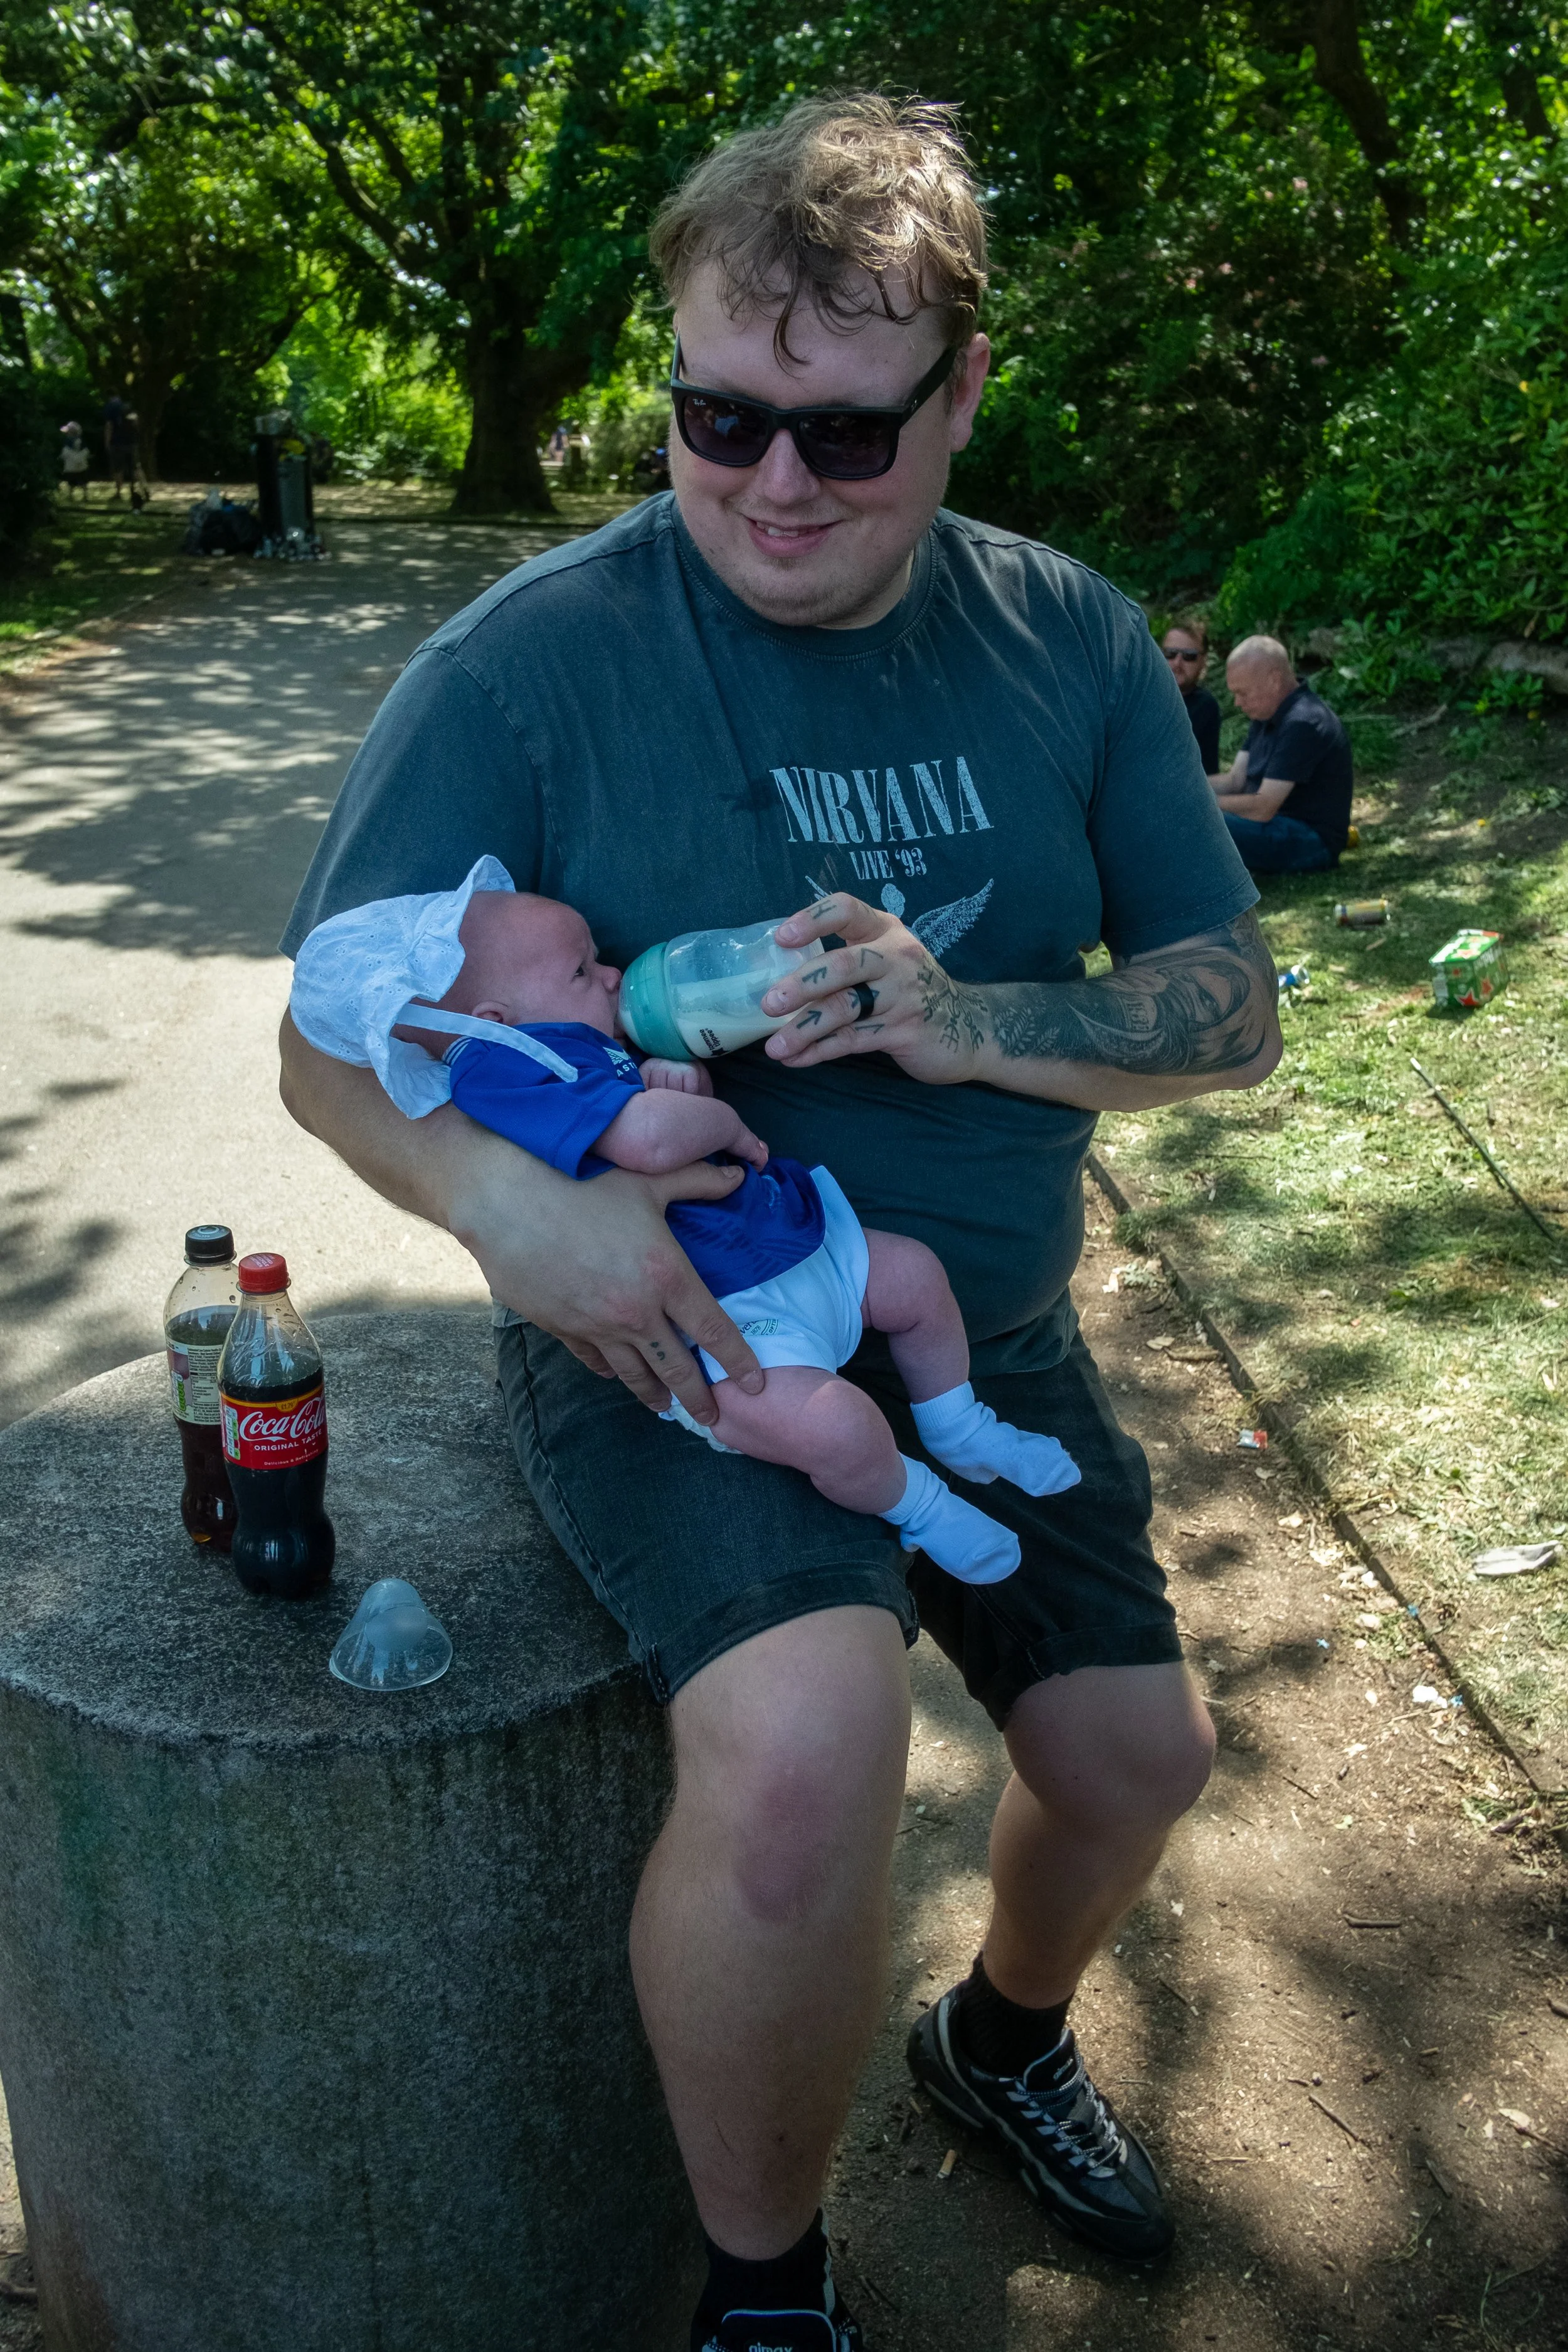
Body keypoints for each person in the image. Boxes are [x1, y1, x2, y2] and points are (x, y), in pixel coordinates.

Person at [277, 93, 1281, 2352]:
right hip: (681, 1328)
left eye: (842, 431)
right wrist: (508, 1216)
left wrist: (970, 1015)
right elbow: (326, 1043)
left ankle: (998, 2036)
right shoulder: (522, 668)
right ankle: (765, 2283)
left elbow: (1226, 1015)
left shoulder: (1074, 638)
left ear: (964, 391)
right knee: (815, 1736)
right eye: (717, 417)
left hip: (969, 1326)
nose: (770, 483)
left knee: (1137, 1756)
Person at [294, 862, 1082, 1581]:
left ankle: (957, 1422)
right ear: (497, 1018)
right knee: (836, 1430)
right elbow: (646, 1138)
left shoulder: (566, 1048)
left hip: (780, 1243)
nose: (612, 977)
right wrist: (721, 1125)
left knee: (912, 1275)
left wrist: (675, 1087)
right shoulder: (505, 1066)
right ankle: (920, 1507)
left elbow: (632, 1124)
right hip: (723, 1318)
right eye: (581, 969)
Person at [1210, 634, 1353, 874]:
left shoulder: (1304, 722)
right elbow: (1236, 780)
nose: (1237, 703)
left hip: (1309, 841)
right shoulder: (1266, 713)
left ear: (1274, 681)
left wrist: (1196, 805)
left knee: (1196, 824)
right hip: (1274, 827)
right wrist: (1181, 788)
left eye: (1243, 693)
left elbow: (1264, 806)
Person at [1161, 621, 1221, 775]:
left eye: (1189, 657)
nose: (1177, 663)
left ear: (1203, 661)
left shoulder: (1206, 707)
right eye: (1170, 654)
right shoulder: (1137, 697)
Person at [60, 421, 91, 501]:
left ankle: (71, 496)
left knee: (71, 482)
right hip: (82, 466)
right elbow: (86, 452)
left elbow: (65, 453)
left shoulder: (67, 442)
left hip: (70, 466)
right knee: (83, 481)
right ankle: (85, 496)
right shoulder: (82, 442)